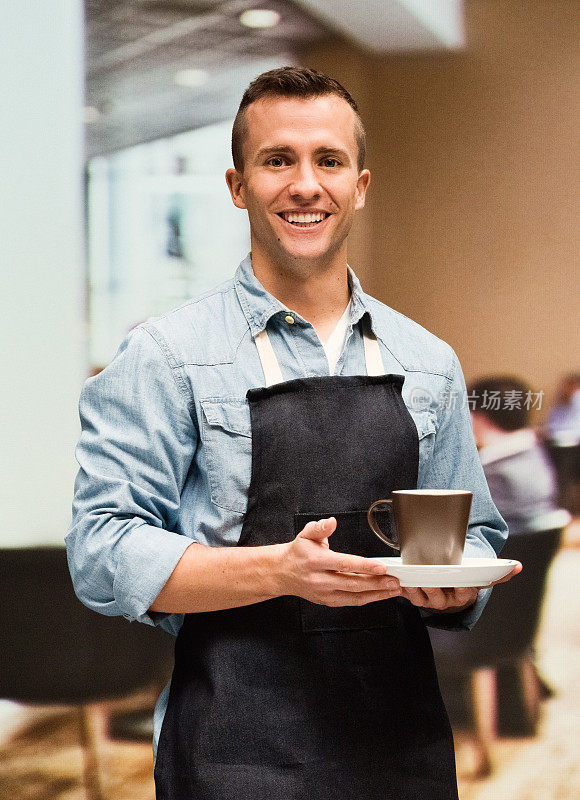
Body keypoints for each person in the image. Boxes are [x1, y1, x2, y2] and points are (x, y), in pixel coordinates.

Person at [67, 67, 518, 800]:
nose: (305, 184)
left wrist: (454, 586)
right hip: (233, 747)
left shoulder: (428, 362)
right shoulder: (167, 356)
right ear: (238, 185)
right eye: (278, 160)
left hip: (399, 744)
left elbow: (477, 536)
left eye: (328, 160)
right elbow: (101, 549)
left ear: (360, 184)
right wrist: (279, 572)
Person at [469, 375, 570, 534]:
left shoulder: (490, 471)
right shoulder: (537, 453)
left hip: (502, 552)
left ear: (480, 417)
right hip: (538, 551)